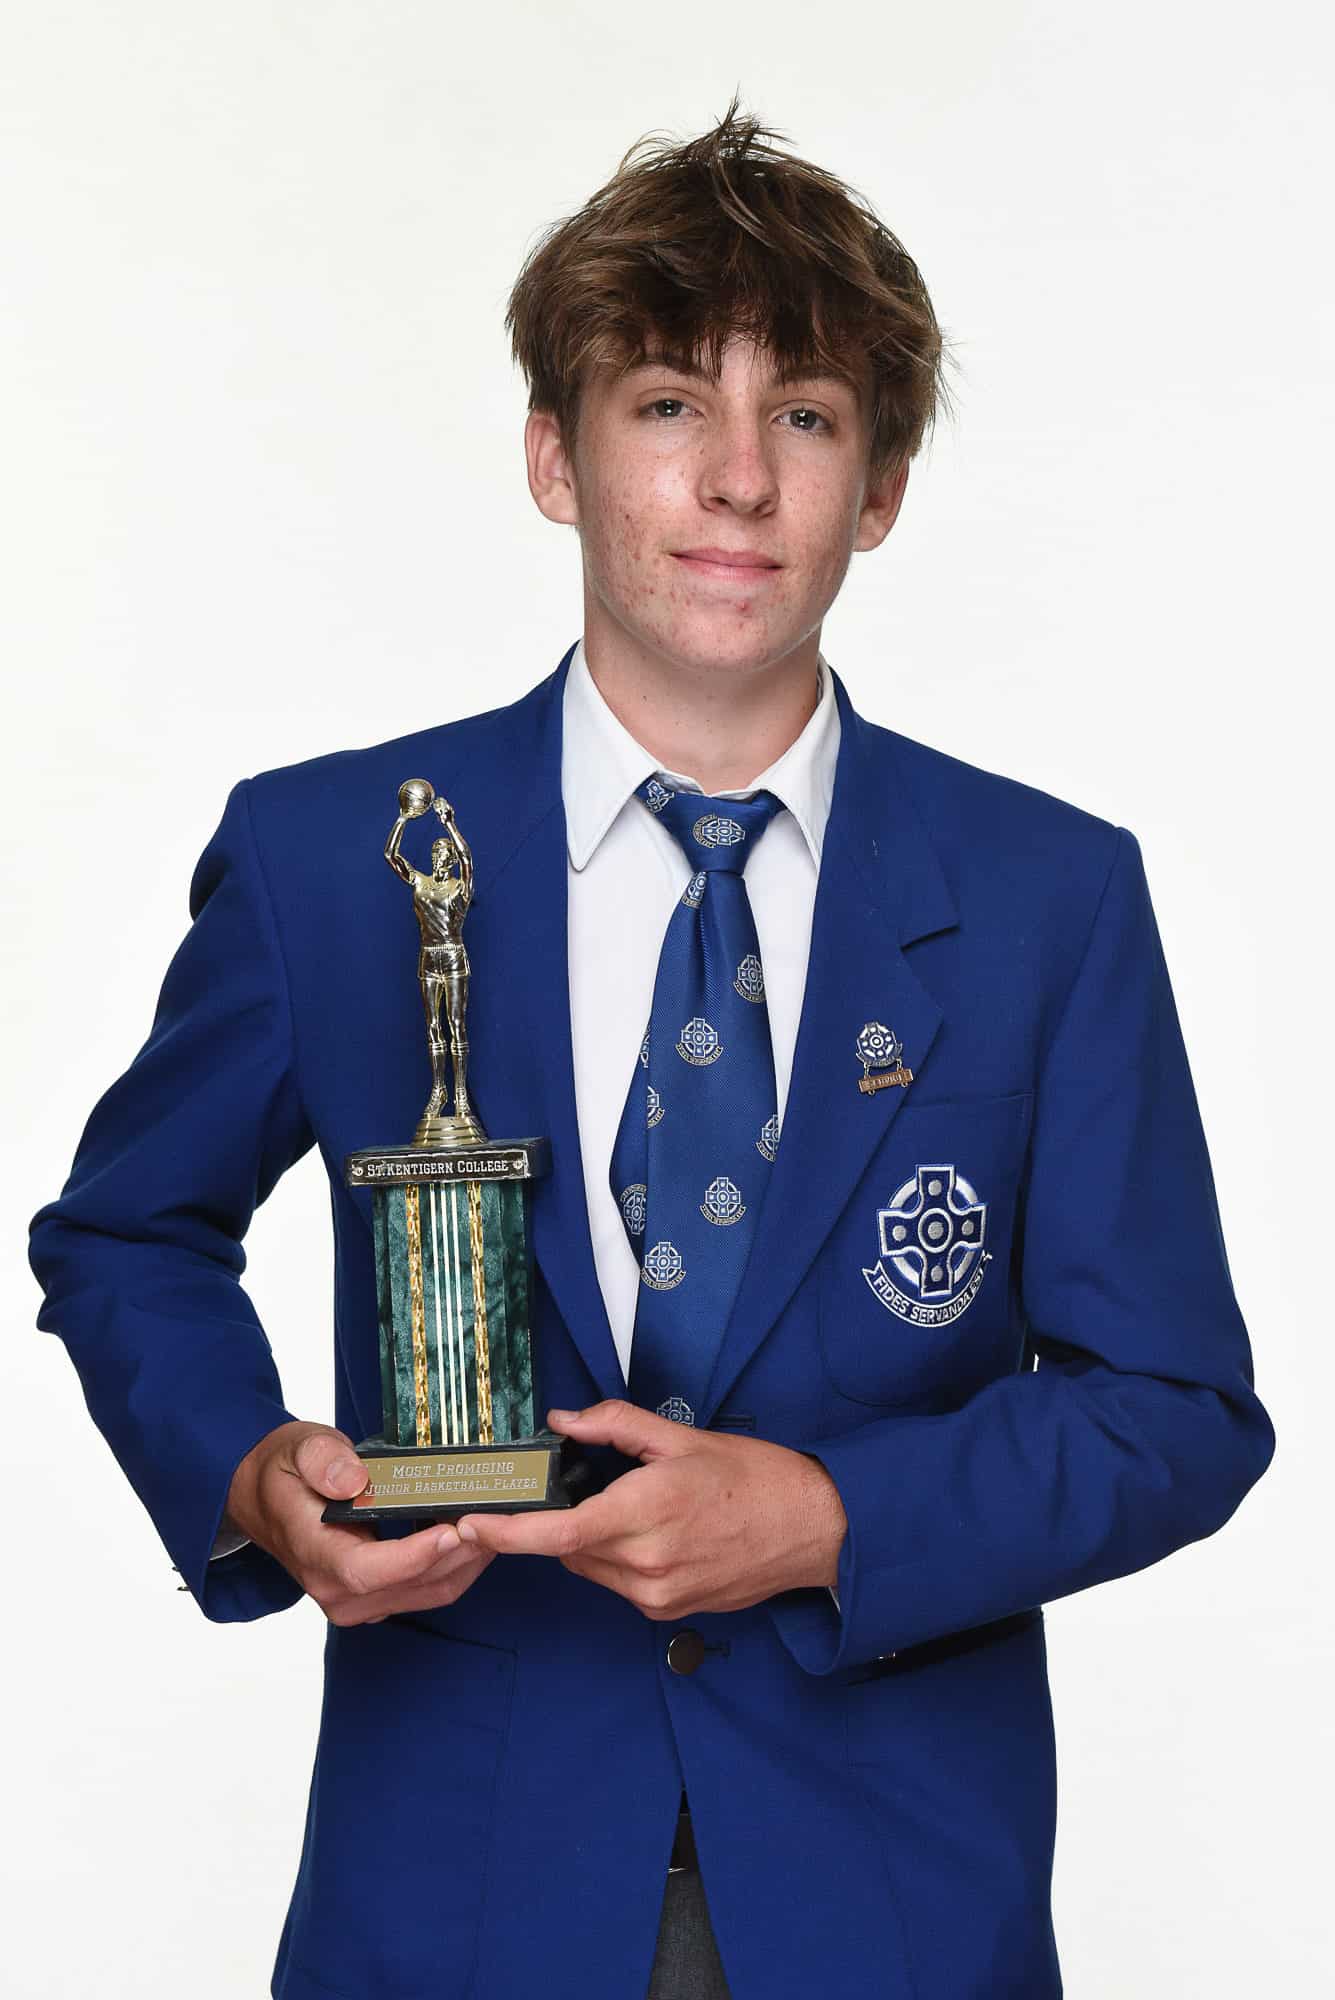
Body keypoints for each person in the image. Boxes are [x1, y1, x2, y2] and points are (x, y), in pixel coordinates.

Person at [28, 100, 1274, 1999]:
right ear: (556, 454)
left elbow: (1174, 1408)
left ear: (882, 488)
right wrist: (250, 1469)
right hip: (462, 1894)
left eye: (809, 418)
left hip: (894, 1905)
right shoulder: (339, 858)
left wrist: (834, 1517)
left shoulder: (1049, 894)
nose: (739, 481)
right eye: (673, 403)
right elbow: (126, 1231)